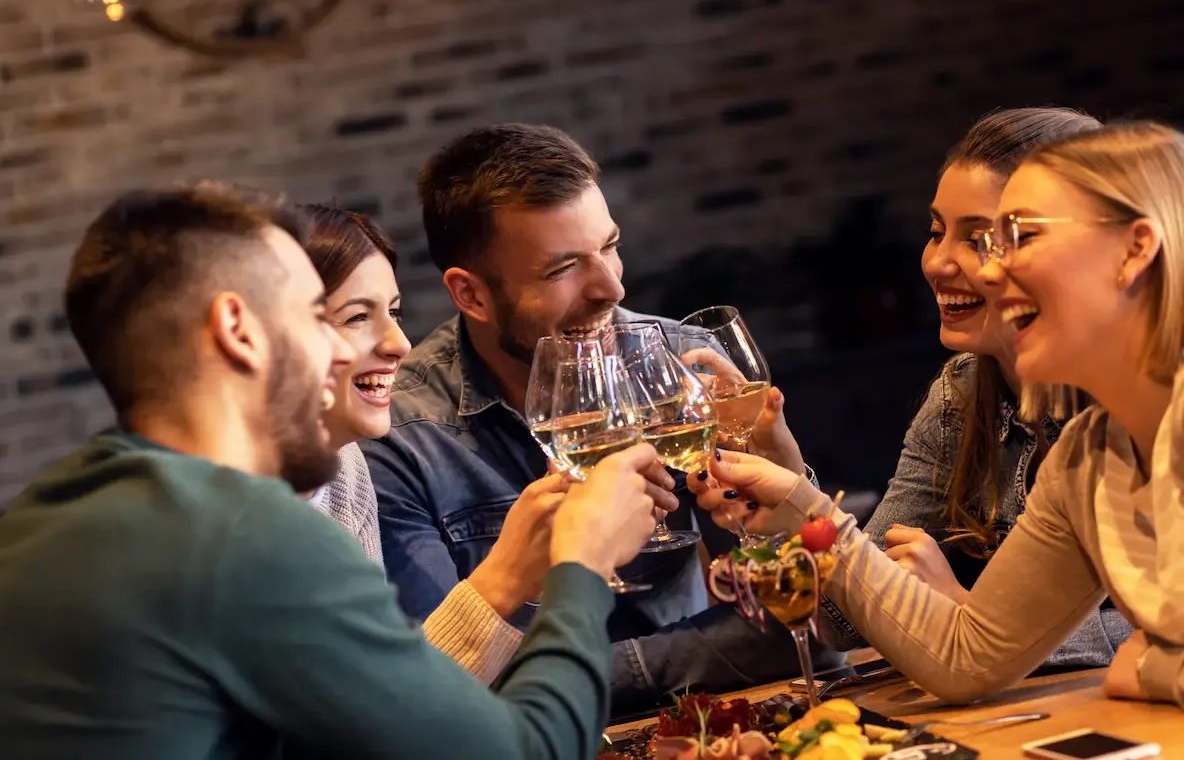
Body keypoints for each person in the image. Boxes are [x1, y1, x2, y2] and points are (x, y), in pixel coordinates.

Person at [0, 184, 667, 759]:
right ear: (239, 331)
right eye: (319, 316)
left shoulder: (40, 519)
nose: (346, 354)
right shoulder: (243, 533)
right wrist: (581, 565)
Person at [688, 120, 1184, 707]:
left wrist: (1153, 666)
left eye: (1020, 237)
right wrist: (801, 505)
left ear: (1135, 251)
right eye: (943, 234)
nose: (990, 270)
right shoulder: (1089, 459)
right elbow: (965, 657)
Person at [362, 122, 840, 715]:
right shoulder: (398, 433)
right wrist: (680, 659)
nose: (611, 288)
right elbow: (436, 685)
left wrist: (790, 495)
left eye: (609, 246)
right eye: (563, 268)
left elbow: (811, 625)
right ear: (471, 295)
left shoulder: (681, 367)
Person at [816, 107, 1132, 670]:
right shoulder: (963, 392)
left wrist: (971, 619)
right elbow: (841, 619)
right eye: (936, 232)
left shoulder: (1146, 395)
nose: (939, 264)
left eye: (983, 239)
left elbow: (1158, 622)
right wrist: (781, 477)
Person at [302, 203, 663, 683]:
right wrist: (536, 572)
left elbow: (382, 690)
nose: (400, 343)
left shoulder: (343, 468)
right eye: (355, 317)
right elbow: (385, 707)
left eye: (394, 312)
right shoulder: (232, 523)